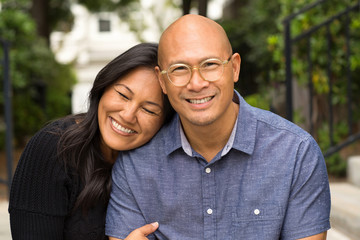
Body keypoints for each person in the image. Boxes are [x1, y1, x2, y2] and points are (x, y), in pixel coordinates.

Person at [105, 14, 331, 240]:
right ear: (162, 80)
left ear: (234, 67)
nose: (197, 83)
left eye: (210, 64)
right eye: (180, 69)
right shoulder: (135, 166)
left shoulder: (296, 153)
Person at [8, 42, 174, 240]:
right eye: (123, 95)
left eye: (148, 109)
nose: (128, 115)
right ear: (104, 87)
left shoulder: (162, 165)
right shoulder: (53, 149)